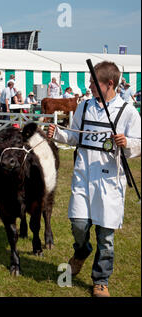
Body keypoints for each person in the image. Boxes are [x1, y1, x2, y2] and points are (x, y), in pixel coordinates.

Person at [47, 61, 141, 297]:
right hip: (83, 175)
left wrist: (127, 143)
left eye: (92, 82)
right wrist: (57, 133)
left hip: (110, 182)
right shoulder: (85, 106)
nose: (88, 86)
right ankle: (81, 252)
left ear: (110, 84)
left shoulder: (127, 111)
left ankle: (101, 279)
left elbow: (139, 144)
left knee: (106, 236)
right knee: (78, 225)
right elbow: (75, 135)